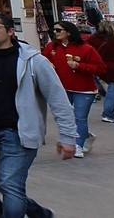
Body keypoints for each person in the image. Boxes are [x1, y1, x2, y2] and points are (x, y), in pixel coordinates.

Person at [0, 9, 77, 218]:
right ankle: (38, 213)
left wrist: (67, 137)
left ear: (10, 31)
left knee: (10, 183)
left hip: (17, 134)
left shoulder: (33, 61)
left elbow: (58, 99)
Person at [41, 20, 105, 157]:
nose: (55, 33)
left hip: (84, 89)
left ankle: (78, 145)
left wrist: (79, 66)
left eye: (59, 30)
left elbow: (100, 68)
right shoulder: (51, 47)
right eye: (54, 30)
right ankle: (85, 135)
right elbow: (42, 62)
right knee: (67, 118)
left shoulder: (86, 49)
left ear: (69, 32)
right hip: (62, 88)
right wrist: (48, 66)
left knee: (80, 118)